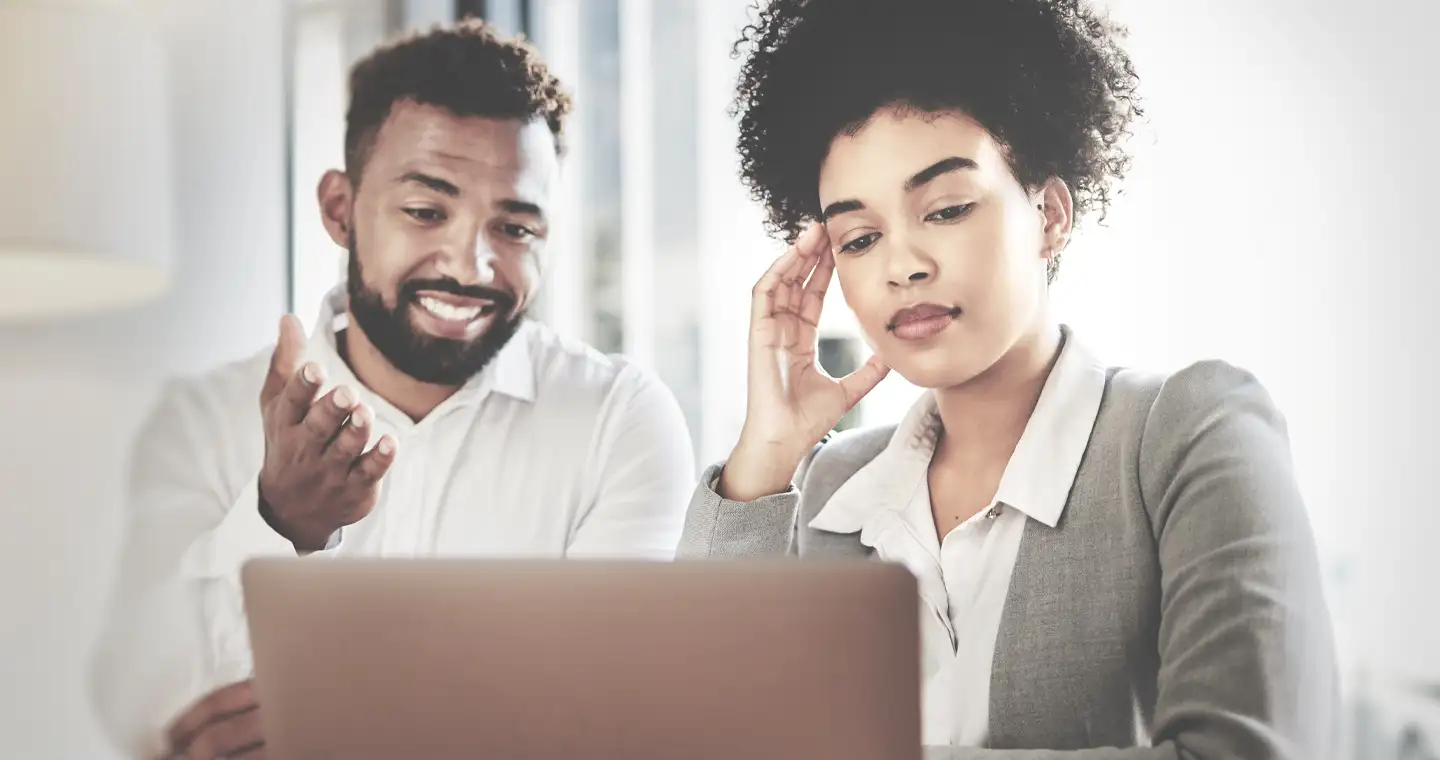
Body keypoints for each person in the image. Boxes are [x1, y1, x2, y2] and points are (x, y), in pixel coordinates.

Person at [677, 0, 1338, 757]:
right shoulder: (836, 489)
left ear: (1050, 214)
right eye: (859, 238)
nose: (903, 265)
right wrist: (767, 452)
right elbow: (700, 722)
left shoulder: (1190, 433)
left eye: (947, 208)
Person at [90, 19, 695, 760]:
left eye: (514, 228)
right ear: (340, 209)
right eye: (425, 211)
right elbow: (146, 716)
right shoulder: (199, 421)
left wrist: (339, 725)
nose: (471, 266)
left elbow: (610, 721)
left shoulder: (619, 421)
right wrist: (280, 523)